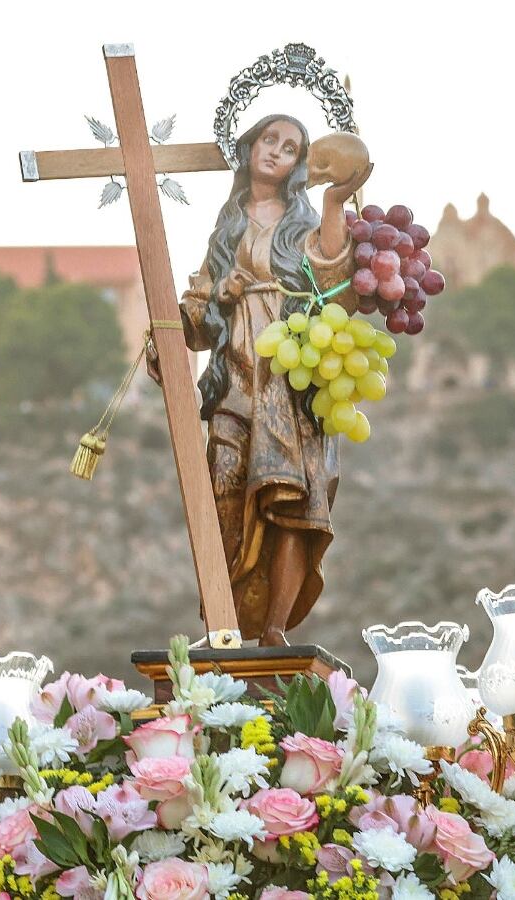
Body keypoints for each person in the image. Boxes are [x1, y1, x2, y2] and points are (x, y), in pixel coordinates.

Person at [150, 113, 370, 646]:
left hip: (293, 384)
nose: (276, 152)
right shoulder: (226, 228)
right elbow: (197, 315)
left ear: (300, 164)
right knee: (222, 491)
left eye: (290, 147)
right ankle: (221, 623)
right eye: (269, 140)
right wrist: (186, 320)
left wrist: (336, 204)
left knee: (291, 503)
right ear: (250, 147)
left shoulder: (305, 224)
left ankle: (274, 628)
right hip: (235, 382)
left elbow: (336, 283)